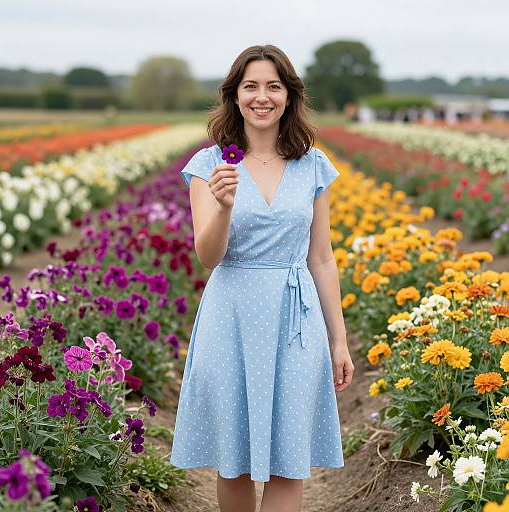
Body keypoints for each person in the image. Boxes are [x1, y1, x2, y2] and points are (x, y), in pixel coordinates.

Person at [169, 44, 354, 512]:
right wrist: (225, 207)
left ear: (289, 96)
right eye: (251, 86)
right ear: (234, 96)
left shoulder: (312, 164)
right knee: (236, 461)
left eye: (274, 86)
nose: (262, 97)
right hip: (230, 314)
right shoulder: (210, 165)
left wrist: (339, 340)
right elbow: (208, 256)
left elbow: (322, 258)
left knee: (288, 459)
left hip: (296, 321)